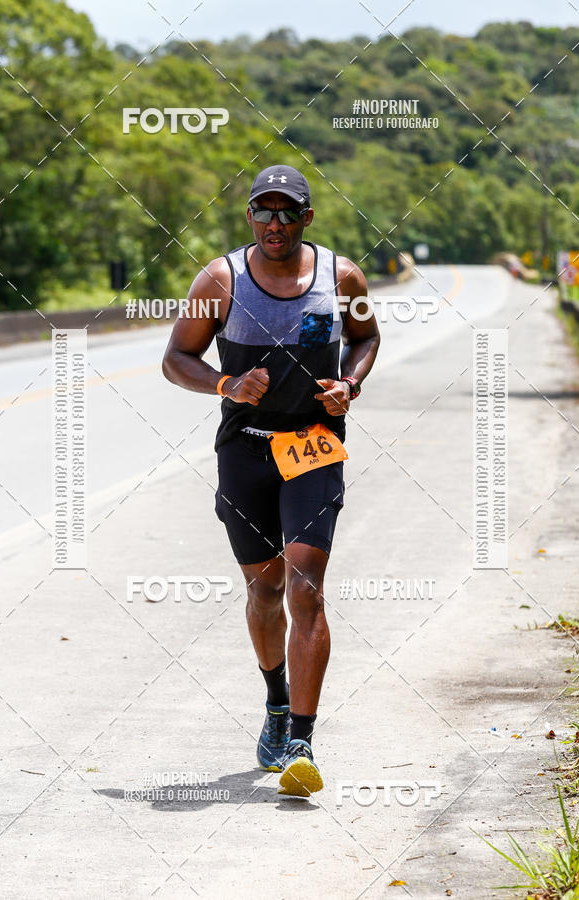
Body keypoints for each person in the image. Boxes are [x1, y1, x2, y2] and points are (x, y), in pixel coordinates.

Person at [162, 164, 380, 797]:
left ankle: (302, 743)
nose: (275, 223)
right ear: (250, 216)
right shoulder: (221, 280)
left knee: (306, 587)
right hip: (246, 450)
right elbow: (175, 359)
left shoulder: (342, 277)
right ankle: (277, 703)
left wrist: (350, 383)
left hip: (313, 446)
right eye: (264, 210)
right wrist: (226, 384)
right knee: (266, 590)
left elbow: (365, 337)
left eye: (288, 212)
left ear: (307, 217)